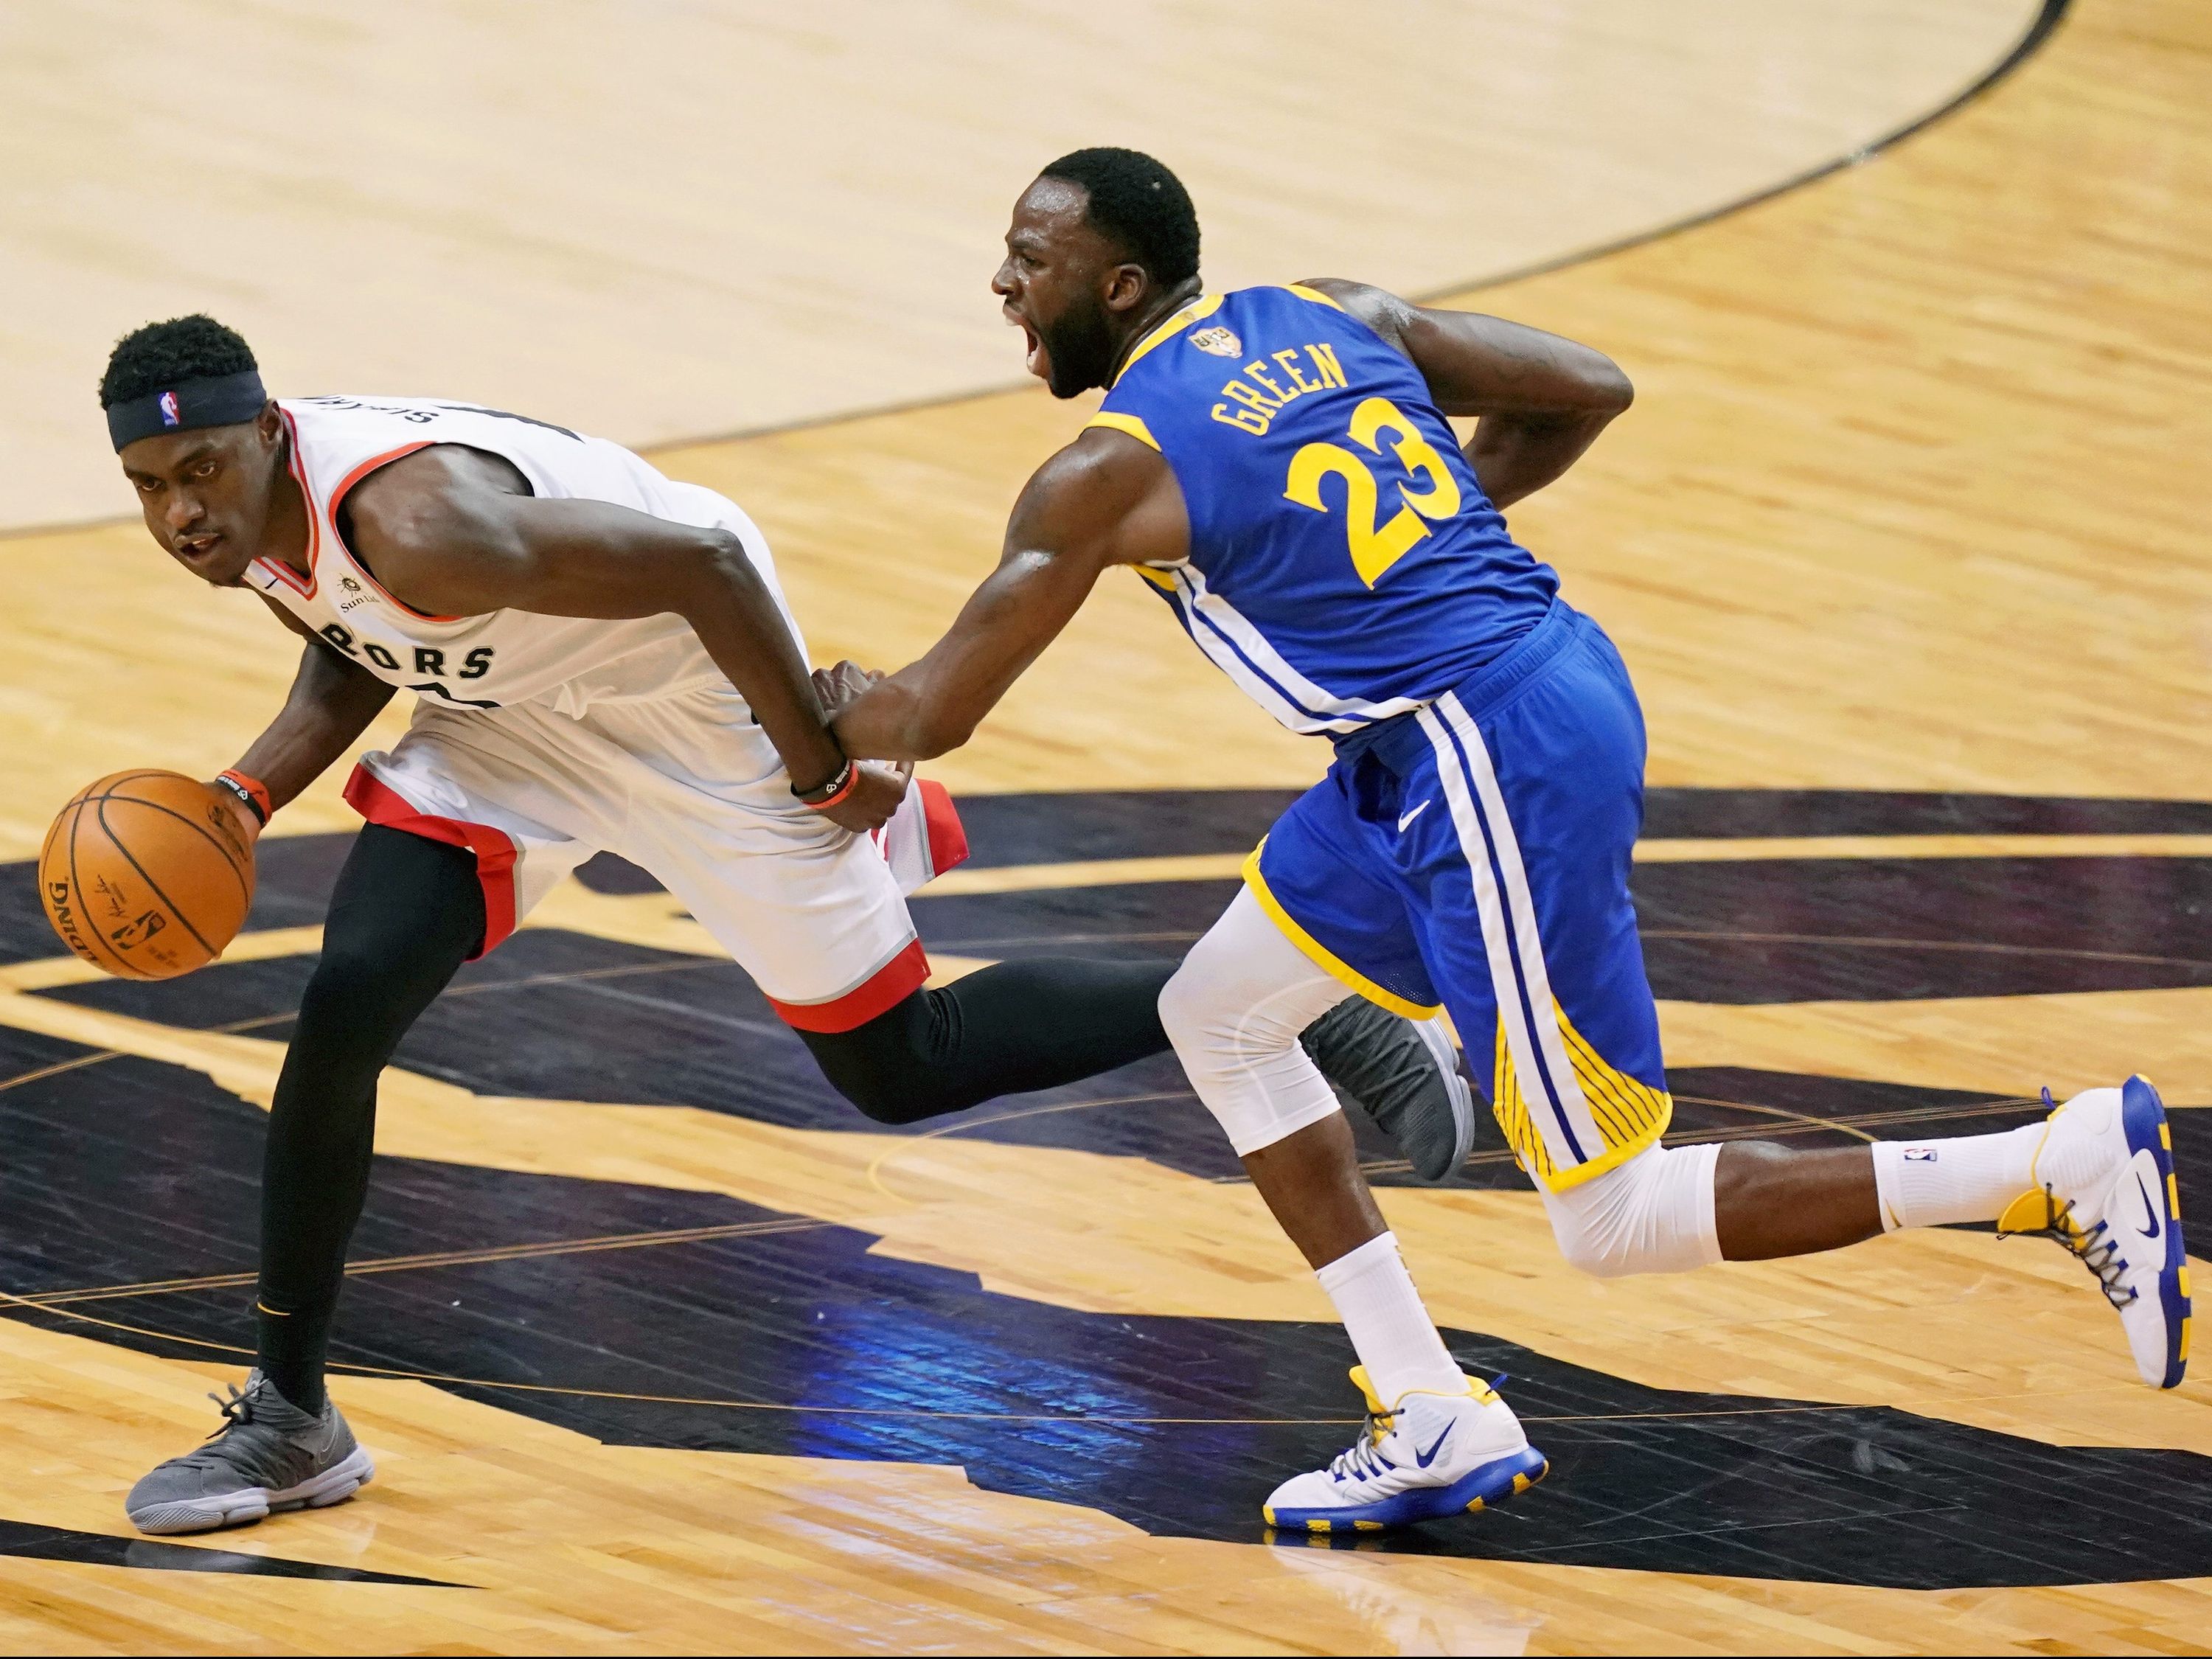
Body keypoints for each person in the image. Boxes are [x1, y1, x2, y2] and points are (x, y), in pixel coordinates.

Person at [819, 147, 2191, 1533]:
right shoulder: (1335, 312)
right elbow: (1589, 385)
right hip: (1484, 709)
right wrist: (1442, 531)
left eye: (1031, 262)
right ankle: (1428, 1408)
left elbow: (932, 712)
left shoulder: (1107, 472)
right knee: (1220, 1015)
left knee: (1617, 1218)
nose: (1004, 283)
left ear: (1116, 287)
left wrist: (807, 697)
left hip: (1482, 753)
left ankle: (2050, 1163)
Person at [99, 315, 1471, 1536]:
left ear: (270, 437)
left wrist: (815, 764)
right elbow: (366, 631)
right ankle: (290, 1414)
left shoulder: (422, 518)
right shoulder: (265, 527)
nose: (181, 516)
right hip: (512, 730)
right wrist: (246, 792)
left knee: (903, 1062)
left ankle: (1290, 1000)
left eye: (202, 472)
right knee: (343, 1009)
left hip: (693, 697)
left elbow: (700, 558)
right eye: (151, 490)